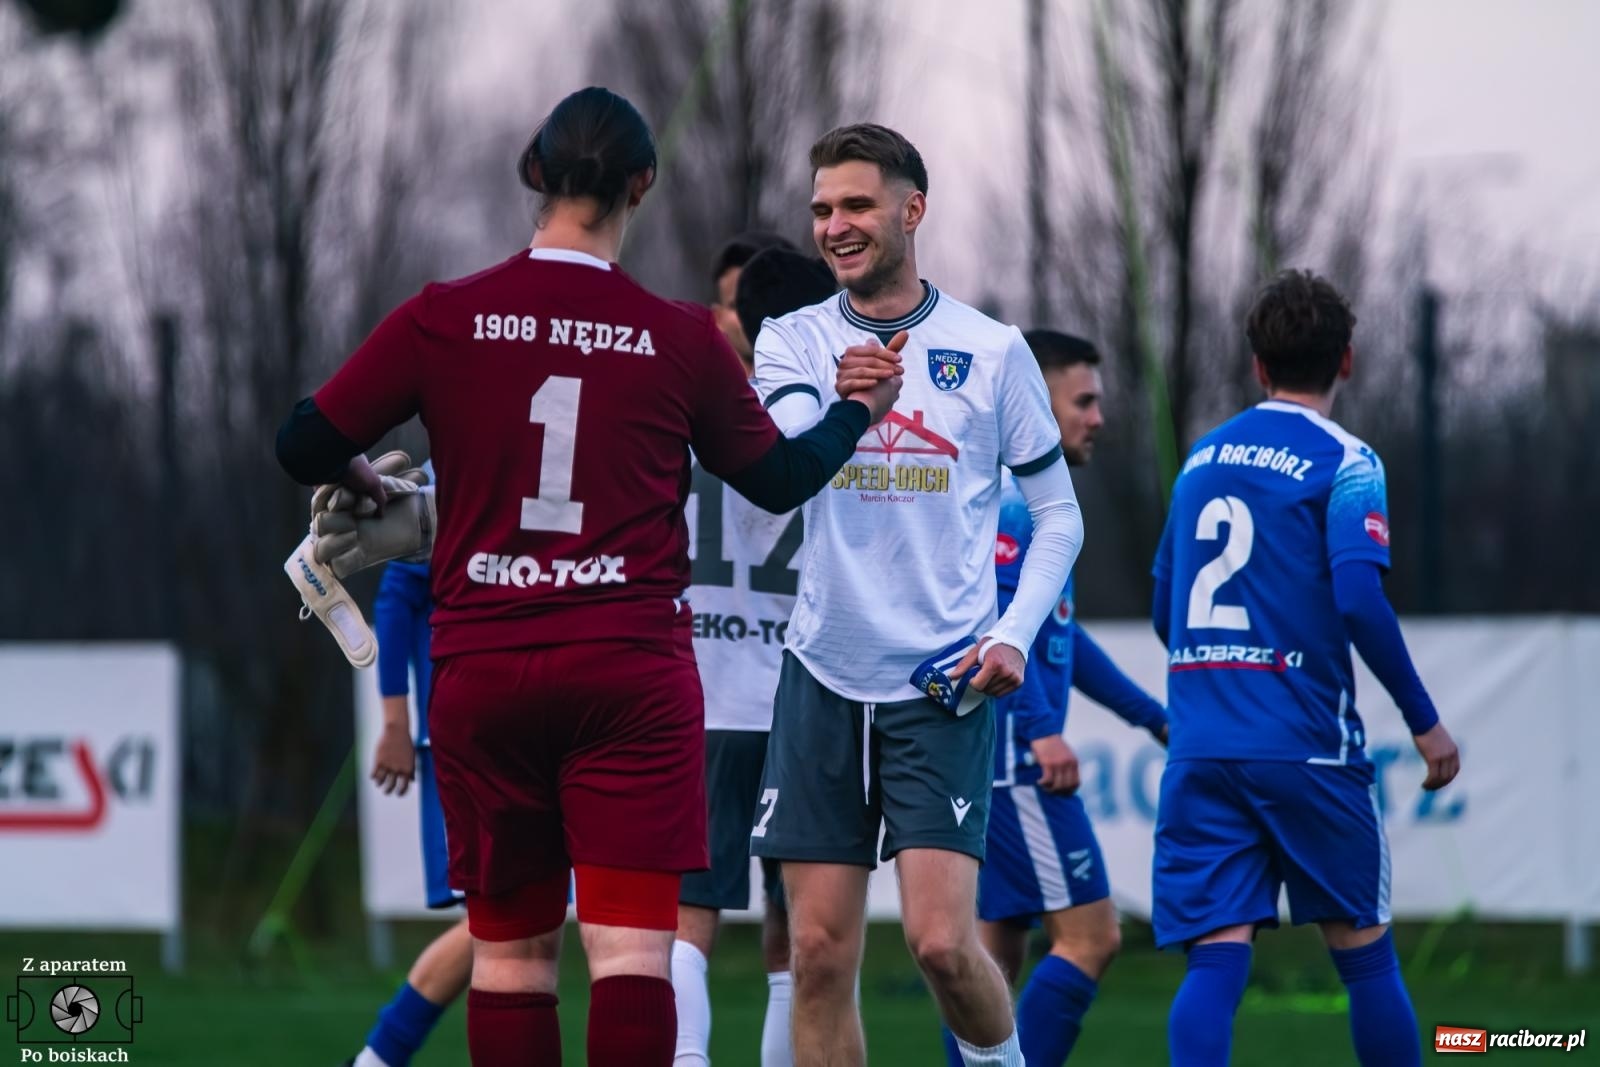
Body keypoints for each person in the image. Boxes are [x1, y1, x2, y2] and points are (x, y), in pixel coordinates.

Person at [275, 87, 902, 1067]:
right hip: (627, 678)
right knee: (631, 957)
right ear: (641, 185)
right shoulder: (678, 336)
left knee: (513, 962)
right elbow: (778, 480)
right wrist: (853, 409)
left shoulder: (446, 316)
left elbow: (303, 439)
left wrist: (364, 480)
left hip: (485, 666)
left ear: (533, 171)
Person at [749, 123, 1085, 1067]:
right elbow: (783, 462)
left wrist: (1012, 633)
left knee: (941, 944)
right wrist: (847, 406)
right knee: (815, 955)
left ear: (912, 209)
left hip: (944, 682)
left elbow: (1060, 516)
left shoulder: (990, 348)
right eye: (821, 209)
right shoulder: (793, 339)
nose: (835, 226)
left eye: (856, 204)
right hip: (820, 676)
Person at [1151, 269, 1461, 1067]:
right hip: (1305, 748)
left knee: (1216, 960)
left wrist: (1217, 673)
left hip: (1202, 746)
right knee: (1364, 955)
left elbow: (1165, 601)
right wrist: (1425, 721)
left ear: (1257, 365)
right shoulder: (1348, 460)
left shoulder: (1201, 460)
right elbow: (1359, 600)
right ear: (1347, 361)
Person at [940, 331, 1169, 1067]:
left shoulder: (1031, 496)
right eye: (1085, 400)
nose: (1098, 416)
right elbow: (1000, 624)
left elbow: (1059, 635)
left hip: (993, 758)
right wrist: (1039, 728)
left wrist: (1151, 715)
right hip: (1013, 760)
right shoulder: (1014, 499)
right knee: (1092, 936)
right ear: (1035, 401)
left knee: (993, 961)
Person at [672, 242, 838, 1067]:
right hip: (800, 704)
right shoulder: (836, 416)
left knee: (685, 918)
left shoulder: (691, 413)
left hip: (701, 698)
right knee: (797, 937)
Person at [342, 460, 473, 1067]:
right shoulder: (449, 464)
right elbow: (395, 600)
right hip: (459, 739)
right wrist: (396, 724)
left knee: (518, 925)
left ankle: (376, 1060)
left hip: (514, 733)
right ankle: (377, 1058)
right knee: (509, 925)